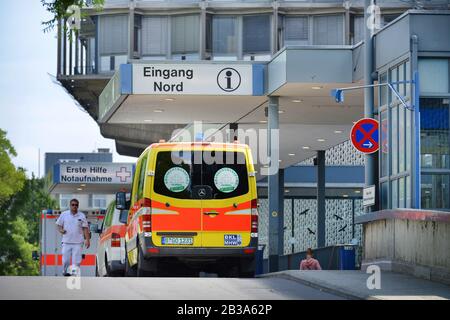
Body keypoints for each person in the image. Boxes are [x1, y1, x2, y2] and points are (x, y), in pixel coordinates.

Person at [55, 198, 90, 276]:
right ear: (70, 205)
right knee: (66, 260)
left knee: (76, 261)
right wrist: (61, 230)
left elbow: (85, 228)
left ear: (78, 206)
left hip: (78, 242)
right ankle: (65, 271)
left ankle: (74, 273)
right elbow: (58, 225)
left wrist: (87, 240)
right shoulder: (64, 214)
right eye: (73, 205)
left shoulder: (82, 215)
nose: (74, 206)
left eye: (76, 205)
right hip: (66, 242)